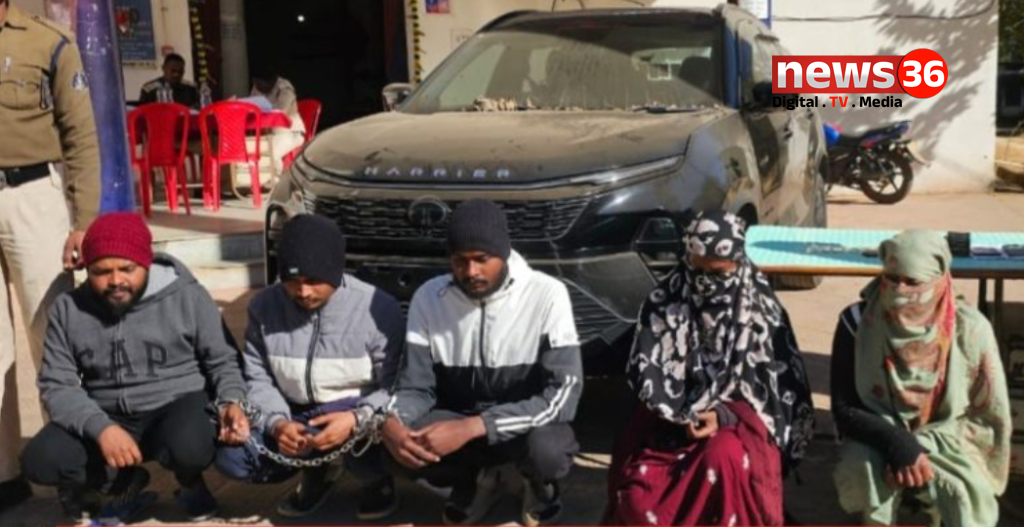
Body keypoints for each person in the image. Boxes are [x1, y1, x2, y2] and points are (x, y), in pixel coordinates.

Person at [19, 213, 250, 524]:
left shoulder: (187, 295)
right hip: (107, 412)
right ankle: (122, 482)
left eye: (127, 269)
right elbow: (56, 384)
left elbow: (222, 359)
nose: (116, 280)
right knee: (41, 461)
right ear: (87, 269)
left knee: (192, 446)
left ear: (146, 262)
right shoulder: (68, 309)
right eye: (102, 271)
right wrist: (101, 428)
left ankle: (189, 480)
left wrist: (232, 401)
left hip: (175, 404)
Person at [604, 211, 814, 526]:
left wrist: (724, 416)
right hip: (670, 429)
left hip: (737, 431)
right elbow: (648, 385)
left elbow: (780, 402)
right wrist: (680, 414)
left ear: (738, 263)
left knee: (724, 456)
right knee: (637, 498)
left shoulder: (764, 316)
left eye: (717, 273)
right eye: (697, 271)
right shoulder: (663, 305)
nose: (705, 283)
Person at [382, 199, 583, 526]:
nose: (471, 271)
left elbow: (563, 395)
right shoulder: (428, 298)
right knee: (396, 447)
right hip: (457, 417)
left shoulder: (547, 294)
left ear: (502, 253)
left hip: (523, 425)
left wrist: (475, 426)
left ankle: (537, 482)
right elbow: (415, 387)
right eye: (460, 261)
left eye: (481, 259)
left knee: (548, 451)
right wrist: (393, 422)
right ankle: (472, 482)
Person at [215, 214, 404, 519]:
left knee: (385, 438)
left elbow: (395, 384)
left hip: (354, 412)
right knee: (235, 458)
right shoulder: (264, 306)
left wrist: (357, 419)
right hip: (294, 410)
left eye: (314, 281)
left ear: (336, 272)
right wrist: (277, 424)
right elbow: (258, 377)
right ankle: (318, 472)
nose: (303, 292)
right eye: (292, 281)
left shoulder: (378, 308)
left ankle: (375, 479)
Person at [830, 230, 1011, 527]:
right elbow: (844, 408)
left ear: (938, 281)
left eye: (912, 282)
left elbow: (987, 415)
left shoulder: (969, 330)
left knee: (965, 489)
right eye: (892, 278)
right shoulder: (858, 323)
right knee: (860, 465)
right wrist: (899, 444)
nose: (900, 290)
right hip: (879, 430)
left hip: (951, 435)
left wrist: (921, 446)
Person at [0, 0, 101, 513]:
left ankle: (71, 469)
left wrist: (84, 220)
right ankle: (4, 473)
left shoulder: (47, 42)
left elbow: (80, 136)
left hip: (32, 196)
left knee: (53, 335)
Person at [250, 69, 305, 175]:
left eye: (263, 84)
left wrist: (264, 111)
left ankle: (276, 179)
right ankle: (272, 179)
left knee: (269, 154)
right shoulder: (257, 87)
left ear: (272, 80)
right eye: (256, 83)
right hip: (269, 134)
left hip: (290, 133)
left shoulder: (285, 89)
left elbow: (280, 114)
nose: (259, 87)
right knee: (254, 150)